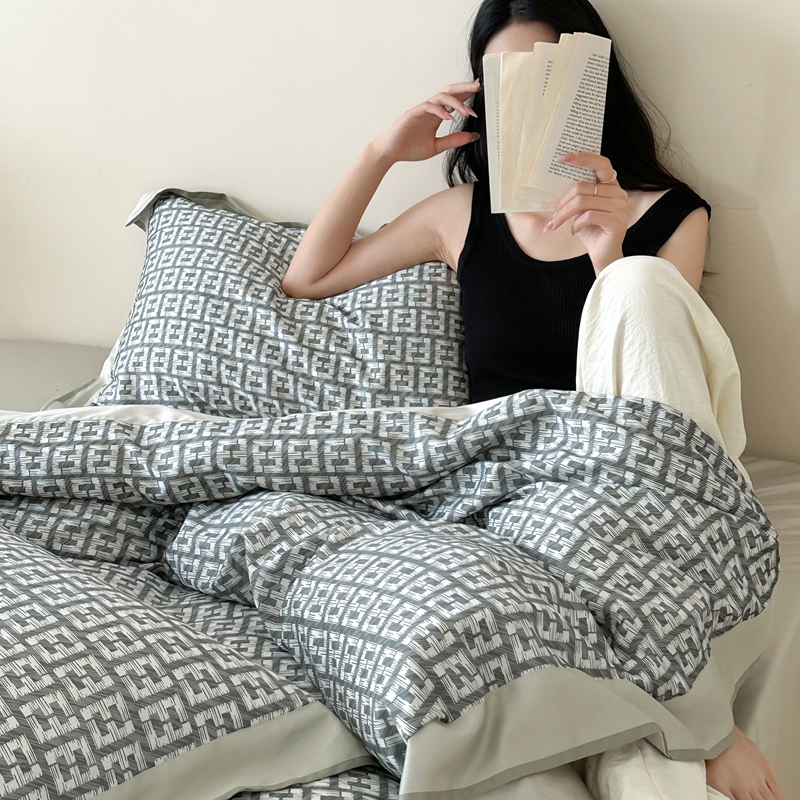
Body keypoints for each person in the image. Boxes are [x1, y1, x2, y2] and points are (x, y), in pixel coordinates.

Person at [282, 1, 784, 798]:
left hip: (644, 477)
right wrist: (383, 153)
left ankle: (688, 702)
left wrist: (610, 250)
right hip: (523, 483)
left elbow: (655, 382)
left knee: (640, 286)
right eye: (505, 82)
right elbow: (307, 278)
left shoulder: (669, 213)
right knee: (586, 691)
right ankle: (677, 721)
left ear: (589, 85)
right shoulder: (462, 216)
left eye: (549, 78)